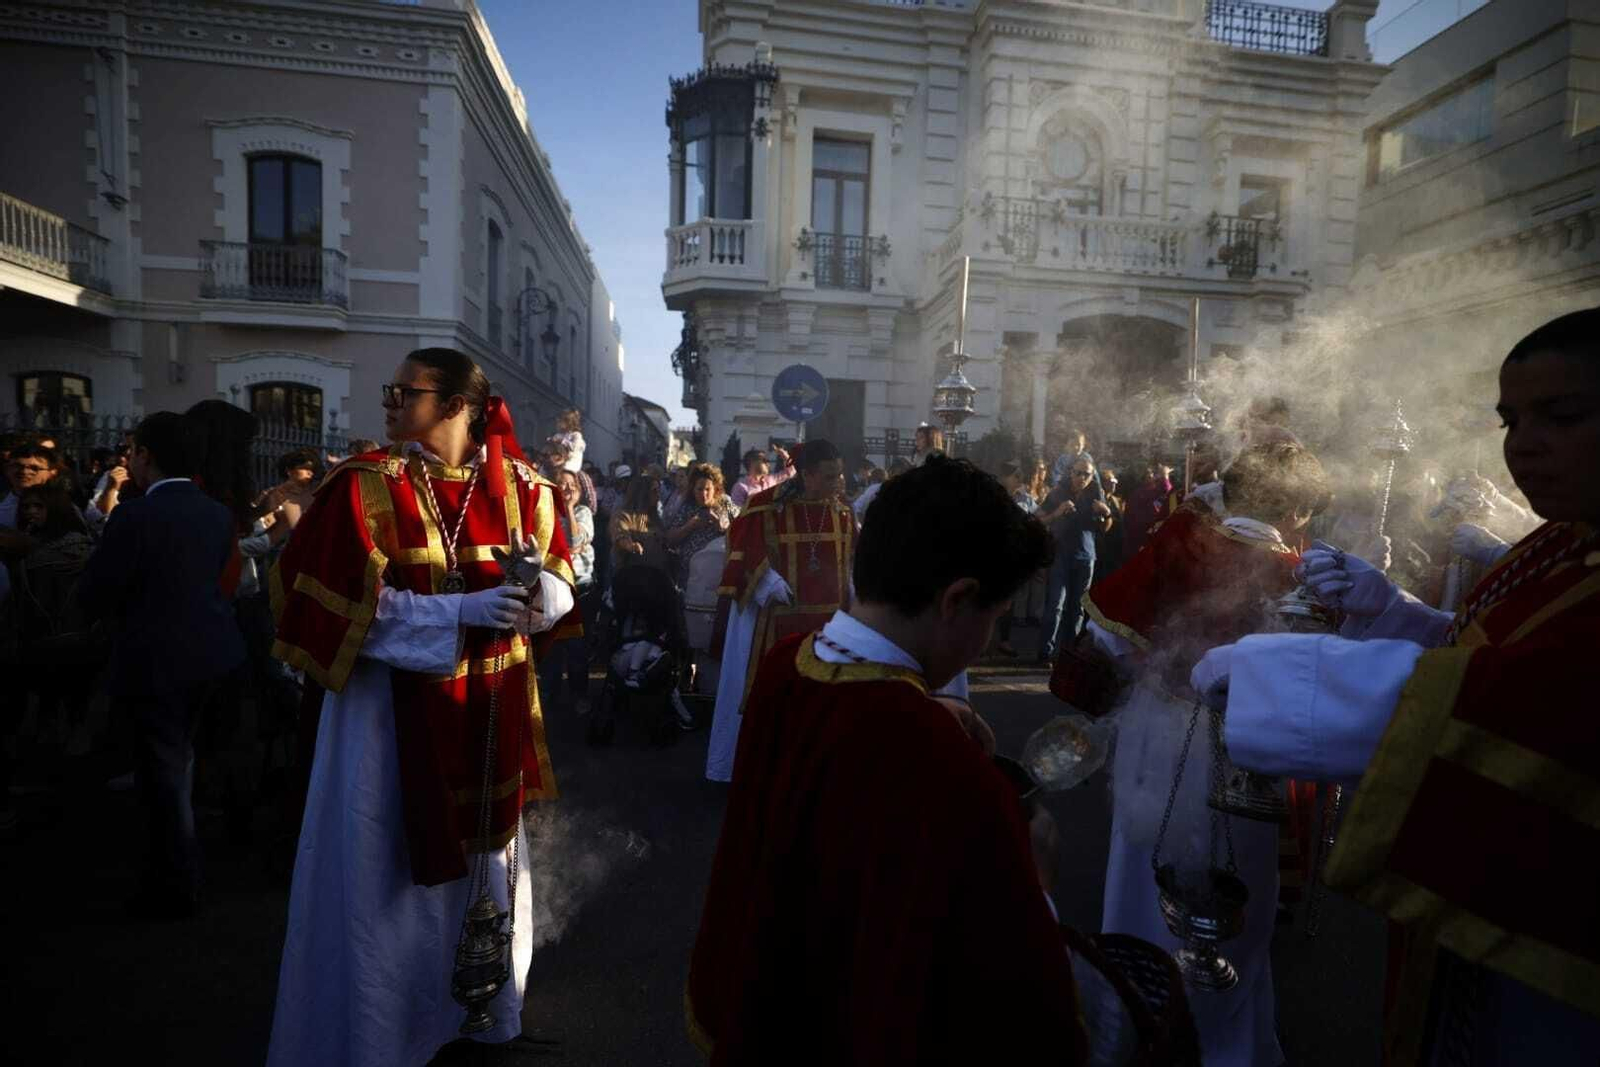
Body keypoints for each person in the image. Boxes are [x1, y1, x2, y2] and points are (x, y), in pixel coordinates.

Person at [1190, 308, 1600, 1065]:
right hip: (1497, 895)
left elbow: (1541, 695)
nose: (1525, 444)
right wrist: (1397, 614)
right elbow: (1478, 648)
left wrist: (1283, 677)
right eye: (1512, 420)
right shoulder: (1565, 537)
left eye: (1563, 415)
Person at [686, 457, 1085, 1063]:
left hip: (777, 1000)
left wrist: (922, 711)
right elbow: (1011, 991)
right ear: (958, 599)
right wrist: (1036, 882)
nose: (983, 645)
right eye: (993, 621)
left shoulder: (790, 662)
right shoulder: (935, 757)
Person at [265, 347, 578, 1067]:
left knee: (485, 868)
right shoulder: (362, 486)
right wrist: (459, 610)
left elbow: (562, 578)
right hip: (386, 726)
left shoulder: (526, 487)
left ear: (459, 406)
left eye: (406, 391)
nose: (390, 402)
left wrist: (541, 601)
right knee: (384, 878)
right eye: (392, 388)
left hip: (488, 713)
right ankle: (384, 1034)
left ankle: (480, 1013)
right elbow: (336, 607)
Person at [1060, 442, 1328, 1067]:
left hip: (1156, 728)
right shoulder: (1296, 570)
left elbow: (1104, 631)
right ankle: (1223, 1048)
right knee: (1232, 908)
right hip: (1242, 751)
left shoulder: (1183, 533)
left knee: (1137, 883)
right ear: (1293, 507)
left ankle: (1130, 1017)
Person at [78, 411, 246, 918]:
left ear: (146, 455)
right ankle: (188, 865)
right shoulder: (217, 513)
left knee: (164, 778)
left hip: (159, 659)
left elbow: (97, 593)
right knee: (182, 766)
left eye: (132, 451)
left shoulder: (133, 516)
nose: (128, 459)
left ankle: (175, 886)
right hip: (216, 653)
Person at [704, 440, 854, 782]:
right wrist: (766, 580)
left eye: (839, 475)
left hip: (830, 626)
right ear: (809, 475)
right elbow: (742, 548)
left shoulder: (841, 511)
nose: (837, 483)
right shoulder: (764, 507)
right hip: (772, 621)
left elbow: (852, 559)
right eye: (830, 477)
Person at [1036, 455, 1110, 662]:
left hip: (1086, 557)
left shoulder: (1096, 492)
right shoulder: (1058, 492)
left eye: (1086, 474)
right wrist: (1057, 513)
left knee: (1078, 608)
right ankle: (1045, 653)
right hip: (1061, 554)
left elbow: (1104, 528)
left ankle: (1069, 654)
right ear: (1070, 472)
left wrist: (1107, 514)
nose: (1082, 477)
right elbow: (1038, 520)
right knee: (1055, 605)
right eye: (1078, 473)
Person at [540, 468, 595, 715]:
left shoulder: (582, 512)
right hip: (552, 584)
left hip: (580, 586)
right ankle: (549, 693)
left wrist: (570, 508)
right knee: (551, 645)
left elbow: (573, 542)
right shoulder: (545, 512)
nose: (565, 488)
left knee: (576, 646)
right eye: (560, 484)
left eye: (570, 484)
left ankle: (579, 694)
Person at [664, 463, 735, 588]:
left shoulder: (725, 503)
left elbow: (742, 528)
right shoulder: (687, 506)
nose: (704, 494)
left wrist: (723, 528)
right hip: (692, 576)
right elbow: (670, 539)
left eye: (708, 489)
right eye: (699, 489)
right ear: (692, 489)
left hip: (720, 574)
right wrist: (690, 525)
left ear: (716, 488)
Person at [610, 473, 671, 574]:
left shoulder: (655, 516)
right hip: (632, 574)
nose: (658, 495)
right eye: (654, 491)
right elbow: (620, 535)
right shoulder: (623, 515)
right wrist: (631, 545)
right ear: (642, 493)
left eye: (658, 491)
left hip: (657, 574)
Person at [1123, 461, 1172, 560]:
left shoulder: (1143, 492)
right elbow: (1165, 489)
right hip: (1140, 536)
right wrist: (1165, 475)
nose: (1153, 476)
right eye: (1150, 474)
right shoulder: (1141, 492)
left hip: (1143, 534)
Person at [729, 445, 792, 510]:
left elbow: (791, 472)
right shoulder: (740, 487)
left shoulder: (773, 480)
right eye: (764, 460)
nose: (768, 463)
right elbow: (737, 512)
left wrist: (784, 456)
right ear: (752, 462)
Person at [1096, 466, 1125, 577]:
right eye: (1110, 482)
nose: (1114, 484)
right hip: (1104, 546)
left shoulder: (1115, 500)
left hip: (1116, 545)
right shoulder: (1099, 500)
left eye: (1114, 481)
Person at [548, 406, 585, 474]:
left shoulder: (576, 435)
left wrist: (561, 441)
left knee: (562, 469)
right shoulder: (558, 435)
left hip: (571, 462)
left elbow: (574, 447)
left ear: (568, 422)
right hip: (558, 459)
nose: (558, 423)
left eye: (560, 421)